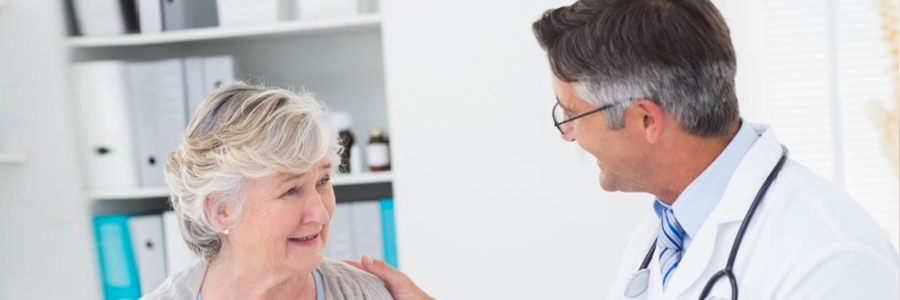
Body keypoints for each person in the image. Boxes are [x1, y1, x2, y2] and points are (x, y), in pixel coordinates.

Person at [347, 0, 900, 299]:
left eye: (571, 113)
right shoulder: (667, 229)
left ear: (644, 120)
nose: (568, 134)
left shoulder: (832, 264)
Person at [143, 82, 393, 300]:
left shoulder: (364, 294)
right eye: (291, 191)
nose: (321, 213)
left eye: (323, 180)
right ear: (222, 210)